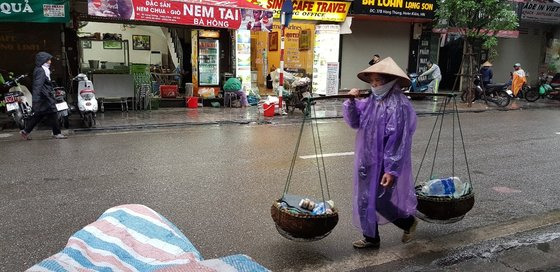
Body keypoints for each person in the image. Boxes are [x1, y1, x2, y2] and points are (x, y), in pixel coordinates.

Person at [343, 57, 418, 249]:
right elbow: (354, 122)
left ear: (390, 81)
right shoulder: (371, 101)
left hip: (385, 164)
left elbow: (398, 140)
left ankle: (408, 223)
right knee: (363, 199)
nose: (375, 85)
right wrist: (351, 102)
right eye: (373, 82)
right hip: (367, 159)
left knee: (380, 201)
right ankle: (371, 238)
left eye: (379, 82)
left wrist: (391, 170)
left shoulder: (398, 105)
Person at [20, 52, 66, 140]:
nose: (50, 62)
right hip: (44, 97)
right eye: (48, 60)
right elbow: (37, 85)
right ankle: (57, 133)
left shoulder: (43, 69)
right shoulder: (41, 70)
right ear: (43, 61)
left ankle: (25, 131)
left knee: (39, 115)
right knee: (53, 112)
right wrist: (36, 98)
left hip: (44, 96)